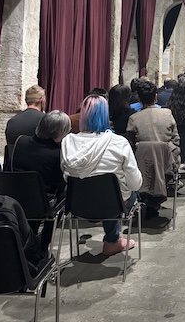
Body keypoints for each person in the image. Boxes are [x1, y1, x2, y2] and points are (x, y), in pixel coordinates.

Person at [61, 95, 142, 256]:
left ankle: (113, 238)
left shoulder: (67, 142)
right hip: (112, 206)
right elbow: (135, 184)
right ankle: (113, 240)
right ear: (106, 115)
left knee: (105, 189)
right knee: (123, 190)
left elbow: (65, 177)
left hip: (78, 205)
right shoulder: (118, 143)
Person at [6, 110, 71, 250]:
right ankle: (42, 246)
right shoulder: (57, 155)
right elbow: (59, 184)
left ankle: (29, 239)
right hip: (41, 204)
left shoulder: (20, 141)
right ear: (60, 132)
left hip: (15, 198)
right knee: (63, 195)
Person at [126, 80, 181, 167]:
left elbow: (131, 144)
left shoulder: (133, 119)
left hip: (142, 165)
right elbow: (176, 138)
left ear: (139, 99)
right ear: (156, 97)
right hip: (167, 162)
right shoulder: (167, 114)